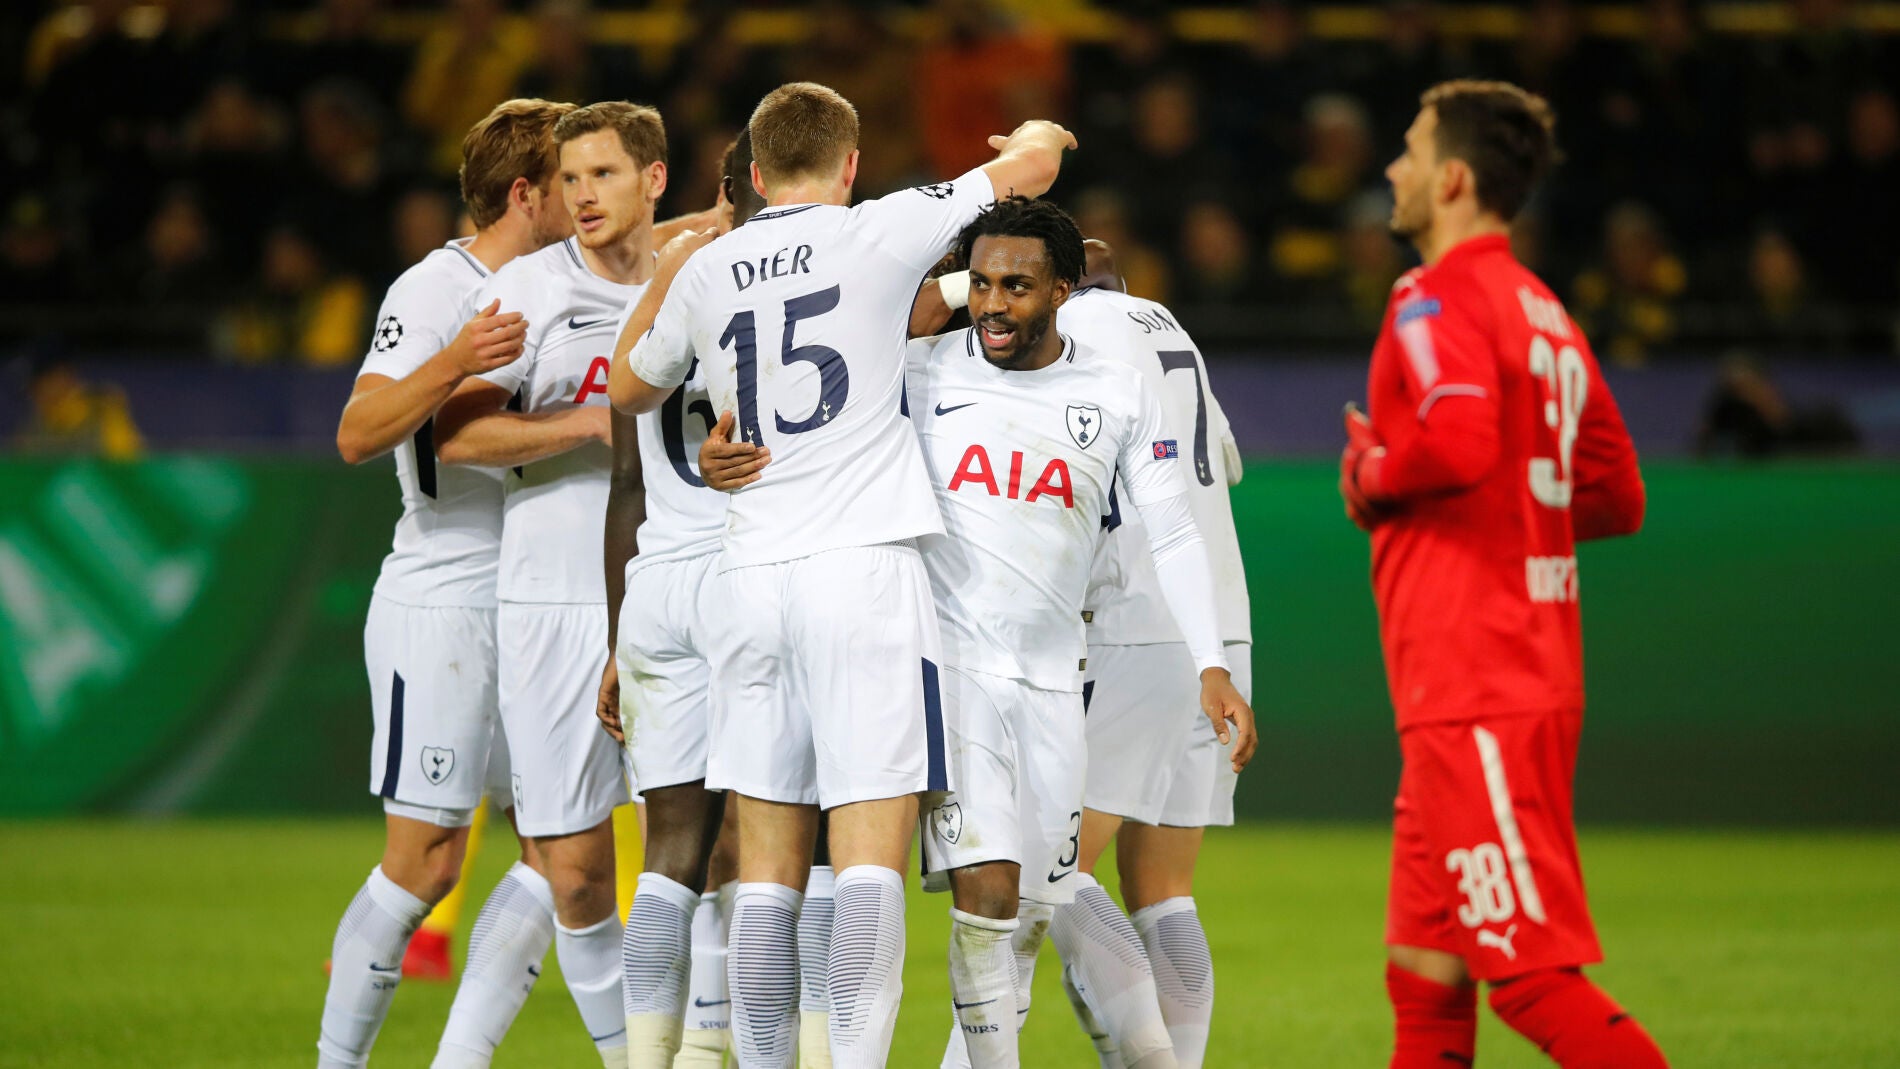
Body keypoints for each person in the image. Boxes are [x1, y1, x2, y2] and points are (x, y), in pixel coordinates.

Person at [607, 82, 1073, 1068]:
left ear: (755, 172)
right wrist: (1029, 135)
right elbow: (1035, 165)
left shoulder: (709, 264)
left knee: (766, 870)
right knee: (865, 856)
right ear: (849, 165)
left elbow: (630, 384)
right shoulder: (878, 229)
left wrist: (685, 263)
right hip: (859, 572)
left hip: (747, 577)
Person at [1339, 79, 1666, 1069]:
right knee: (1425, 972)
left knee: (1523, 975)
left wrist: (1371, 472)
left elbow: (1455, 441)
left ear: (1451, 179)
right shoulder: (1542, 310)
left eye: (1406, 151)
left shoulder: (1430, 294)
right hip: (1515, 667)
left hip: (1471, 674)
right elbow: (1614, 495)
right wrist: (1519, 522)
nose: (1390, 170)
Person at [909, 199, 1254, 1069]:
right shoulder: (928, 371)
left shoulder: (1107, 376)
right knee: (1010, 897)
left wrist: (1212, 665)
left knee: (1040, 901)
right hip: (968, 668)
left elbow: (1169, 526)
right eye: (980, 283)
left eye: (1015, 285)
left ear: (1065, 291)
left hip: (1079, 665)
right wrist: (1211, 659)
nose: (991, 302)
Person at [316, 97, 573, 1069]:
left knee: (561, 859)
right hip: (447, 594)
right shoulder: (437, 285)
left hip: (542, 604)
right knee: (425, 862)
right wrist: (457, 359)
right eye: (571, 180)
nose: (589, 196)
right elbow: (356, 429)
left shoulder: (570, 284)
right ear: (524, 192)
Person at [430, 100, 676, 1069]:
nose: (581, 195)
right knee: (575, 872)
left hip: (674, 597)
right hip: (551, 600)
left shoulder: (692, 281)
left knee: (707, 855)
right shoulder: (531, 290)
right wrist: (583, 425)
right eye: (570, 177)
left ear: (653, 179)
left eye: (603, 174)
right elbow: (456, 433)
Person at [1038, 239, 1253, 1069]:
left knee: (1045, 870)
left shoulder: (1078, 329)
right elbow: (1223, 462)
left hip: (1136, 622)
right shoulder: (1170, 331)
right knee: (1164, 890)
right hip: (1218, 626)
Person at [598, 130, 753, 1069]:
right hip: (751, 574)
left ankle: (665, 1059)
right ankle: (730, 1047)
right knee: (781, 848)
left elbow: (624, 480)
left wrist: (619, 634)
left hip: (658, 581)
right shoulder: (802, 288)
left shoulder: (662, 286)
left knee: (671, 849)